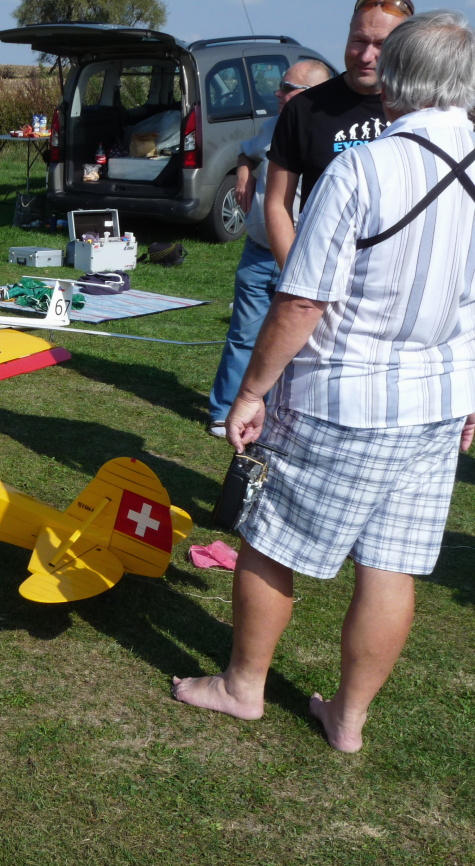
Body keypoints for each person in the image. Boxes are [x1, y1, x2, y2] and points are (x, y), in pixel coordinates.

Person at [173, 11, 475, 753]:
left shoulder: (362, 168)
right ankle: (348, 717)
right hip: (438, 402)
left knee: (268, 542)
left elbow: (302, 302)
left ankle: (243, 686)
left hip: (343, 396)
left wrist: (250, 392)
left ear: (395, 79)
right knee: (390, 566)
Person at [207, 60, 332, 437]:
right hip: (258, 251)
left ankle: (281, 414)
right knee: (243, 335)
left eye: (287, 88)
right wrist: (244, 173)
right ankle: (223, 410)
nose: (278, 93)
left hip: (303, 257)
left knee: (298, 343)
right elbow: (246, 153)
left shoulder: (328, 131)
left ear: (312, 94)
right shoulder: (272, 126)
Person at [264, 0, 413, 267]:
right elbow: (277, 203)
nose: (366, 56)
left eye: (381, 44)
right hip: (320, 270)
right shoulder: (304, 108)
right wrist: (294, 274)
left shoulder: (421, 109)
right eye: (359, 41)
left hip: (396, 273)